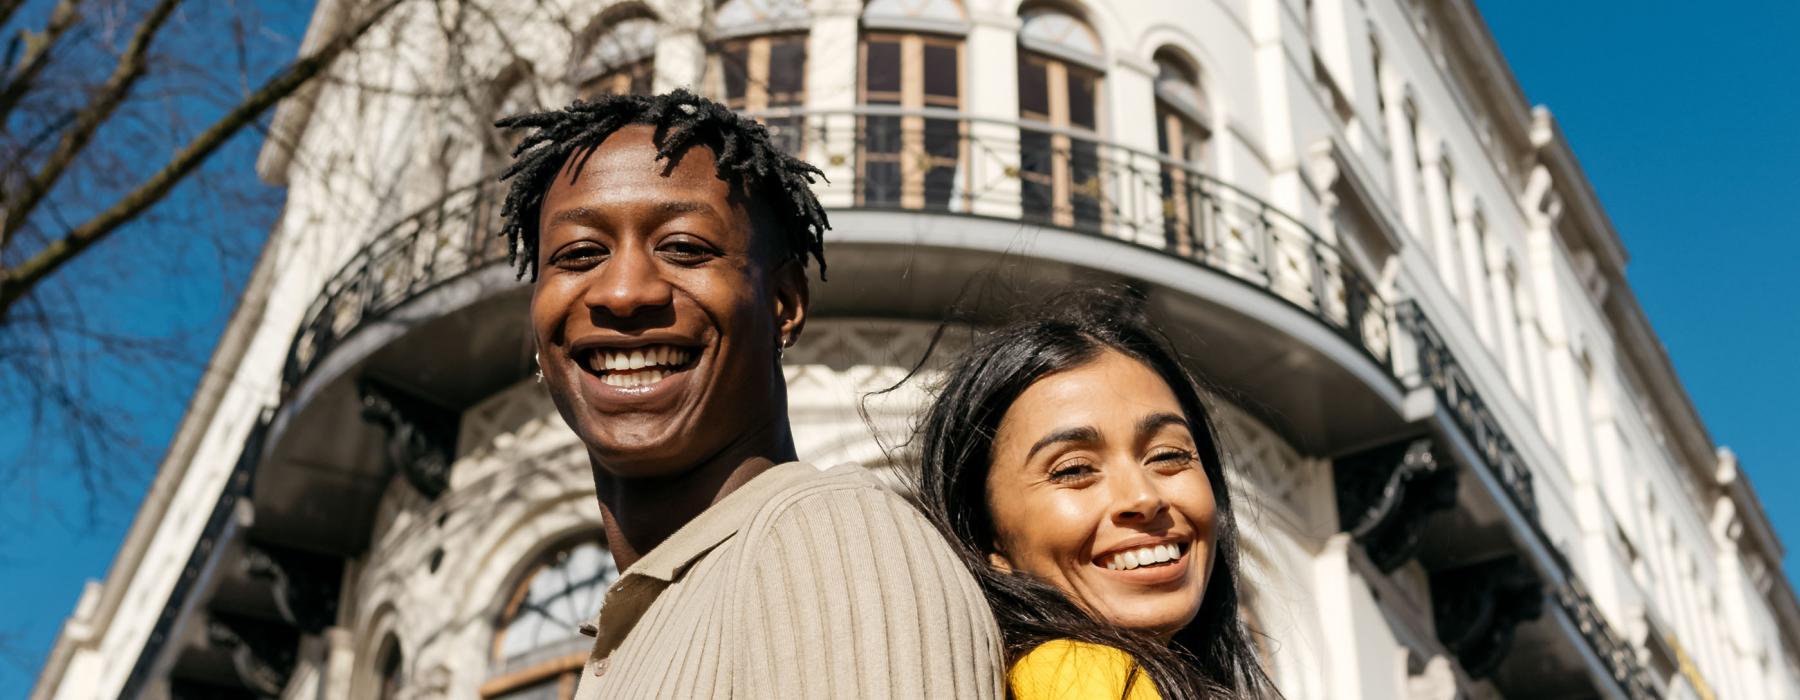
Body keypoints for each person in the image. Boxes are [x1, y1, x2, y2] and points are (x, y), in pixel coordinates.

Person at [495, 90, 1003, 698]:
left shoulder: (833, 540)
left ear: (784, 305)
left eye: (684, 248)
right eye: (579, 255)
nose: (624, 293)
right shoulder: (652, 616)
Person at [913, 290, 1280, 700]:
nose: (1142, 498)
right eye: (1074, 469)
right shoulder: (1078, 677)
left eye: (1168, 455)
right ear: (987, 539)